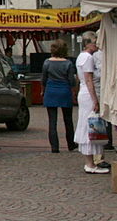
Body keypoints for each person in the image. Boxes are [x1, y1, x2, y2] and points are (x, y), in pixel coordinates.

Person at [74, 35, 107, 174]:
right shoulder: (87, 58)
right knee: (90, 125)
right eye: (94, 43)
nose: (97, 45)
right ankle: (90, 163)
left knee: (88, 125)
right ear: (88, 44)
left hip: (84, 92)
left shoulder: (81, 56)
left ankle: (91, 161)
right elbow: (89, 80)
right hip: (88, 94)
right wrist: (95, 100)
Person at [40, 39, 78, 153]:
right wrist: (74, 91)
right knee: (68, 120)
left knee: (52, 121)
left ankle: (54, 147)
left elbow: (43, 79)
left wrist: (43, 91)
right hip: (64, 91)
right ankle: (71, 144)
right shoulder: (68, 63)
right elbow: (72, 81)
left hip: (51, 91)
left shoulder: (47, 62)